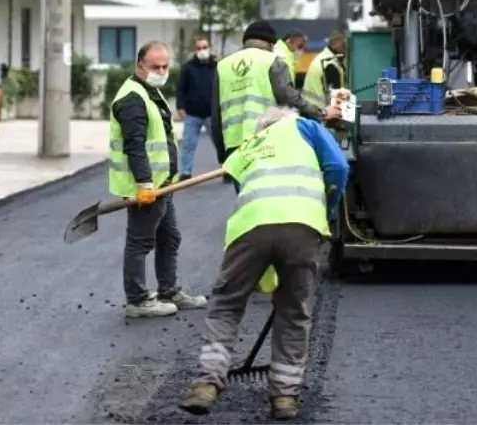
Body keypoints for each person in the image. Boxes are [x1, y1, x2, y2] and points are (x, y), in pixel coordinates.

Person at [180, 106, 349, 420]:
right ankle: (285, 396)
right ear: (287, 118)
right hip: (304, 226)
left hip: (251, 227)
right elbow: (338, 166)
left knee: (227, 304)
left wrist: (268, 277)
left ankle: (207, 382)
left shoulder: (250, 145)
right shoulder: (307, 127)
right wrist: (329, 209)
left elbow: (246, 195)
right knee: (294, 311)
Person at [109, 40, 208, 318]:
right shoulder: (132, 98)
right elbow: (135, 145)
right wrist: (144, 184)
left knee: (170, 238)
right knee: (140, 241)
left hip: (163, 183)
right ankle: (137, 300)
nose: (162, 71)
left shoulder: (149, 91)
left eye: (165, 66)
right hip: (147, 187)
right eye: (156, 66)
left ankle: (169, 290)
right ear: (140, 65)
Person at [211, 20, 340, 163]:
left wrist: (222, 153)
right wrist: (322, 113)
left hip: (234, 145)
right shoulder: (272, 60)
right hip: (264, 139)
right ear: (270, 44)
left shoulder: (222, 66)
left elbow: (216, 114)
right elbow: (289, 97)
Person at [175, 35, 217, 178]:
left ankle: (227, 170)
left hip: (212, 113)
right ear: (195, 50)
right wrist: (180, 107)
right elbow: (180, 88)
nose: (202, 51)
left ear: (209, 48)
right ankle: (186, 173)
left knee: (220, 144)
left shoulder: (217, 67)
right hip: (192, 114)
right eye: (199, 48)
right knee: (188, 145)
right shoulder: (188, 68)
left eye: (204, 47)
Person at [302, 31, 346, 111]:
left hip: (310, 107)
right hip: (319, 111)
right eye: (343, 43)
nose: (346, 47)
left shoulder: (323, 57)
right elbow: (335, 96)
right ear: (335, 43)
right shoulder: (330, 64)